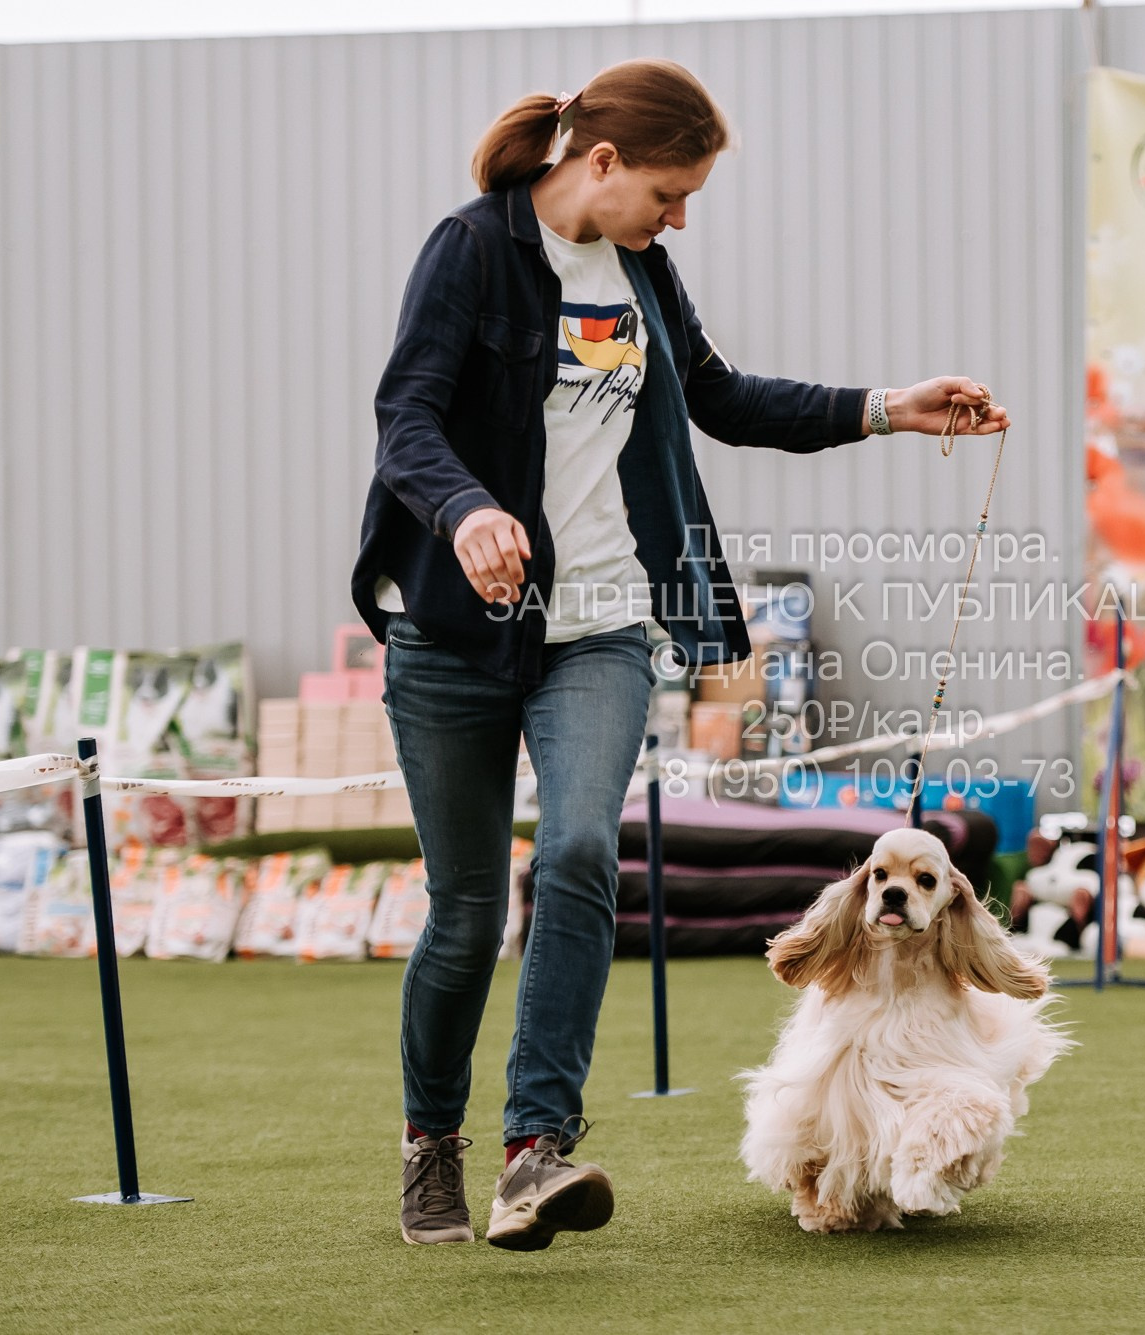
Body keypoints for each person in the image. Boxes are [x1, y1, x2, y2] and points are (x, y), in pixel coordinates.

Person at [349, 57, 1009, 1252]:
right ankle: (427, 1146)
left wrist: (885, 406)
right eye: (670, 192)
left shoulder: (643, 270)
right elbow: (409, 416)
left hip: (599, 625)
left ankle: (531, 1153)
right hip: (455, 630)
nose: (679, 218)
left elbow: (721, 397)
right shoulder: (470, 250)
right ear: (600, 164)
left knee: (584, 851)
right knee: (461, 912)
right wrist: (465, 511)